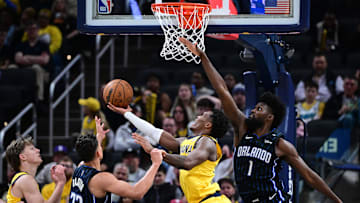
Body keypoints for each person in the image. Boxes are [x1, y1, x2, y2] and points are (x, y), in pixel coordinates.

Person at [179, 37, 342, 203]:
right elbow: (222, 90)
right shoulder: (242, 128)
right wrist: (202, 56)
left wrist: (337, 200)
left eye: (259, 109)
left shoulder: (280, 145)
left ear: (269, 117)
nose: (253, 112)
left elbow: (310, 176)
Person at [107, 104, 231, 203]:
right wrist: (128, 114)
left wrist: (159, 154)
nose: (198, 116)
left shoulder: (208, 142)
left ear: (208, 125)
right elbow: (155, 132)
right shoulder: (188, 141)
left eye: (202, 115)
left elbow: (188, 162)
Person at [70, 116, 163, 202]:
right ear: (98, 153)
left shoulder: (79, 168)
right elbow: (137, 193)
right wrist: (156, 164)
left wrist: (99, 137)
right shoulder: (102, 179)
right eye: (100, 147)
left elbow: (92, 155)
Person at [5, 136, 66, 202]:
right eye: (32, 149)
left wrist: (59, 184)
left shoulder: (22, 178)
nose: (38, 150)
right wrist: (60, 183)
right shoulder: (25, 179)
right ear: (23, 157)